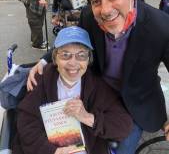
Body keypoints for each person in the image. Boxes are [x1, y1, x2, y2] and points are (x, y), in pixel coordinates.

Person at [27, 0, 169, 154]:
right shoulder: (88, 16)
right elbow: (75, 42)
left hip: (137, 102)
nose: (105, 10)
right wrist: (44, 60)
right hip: (97, 95)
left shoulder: (161, 26)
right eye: (95, 1)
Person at [12, 26, 133, 154]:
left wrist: (87, 117)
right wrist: (53, 151)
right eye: (65, 55)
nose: (73, 63)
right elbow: (26, 123)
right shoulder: (41, 80)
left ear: (88, 59)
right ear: (55, 59)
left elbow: (124, 125)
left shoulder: (98, 86)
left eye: (81, 55)